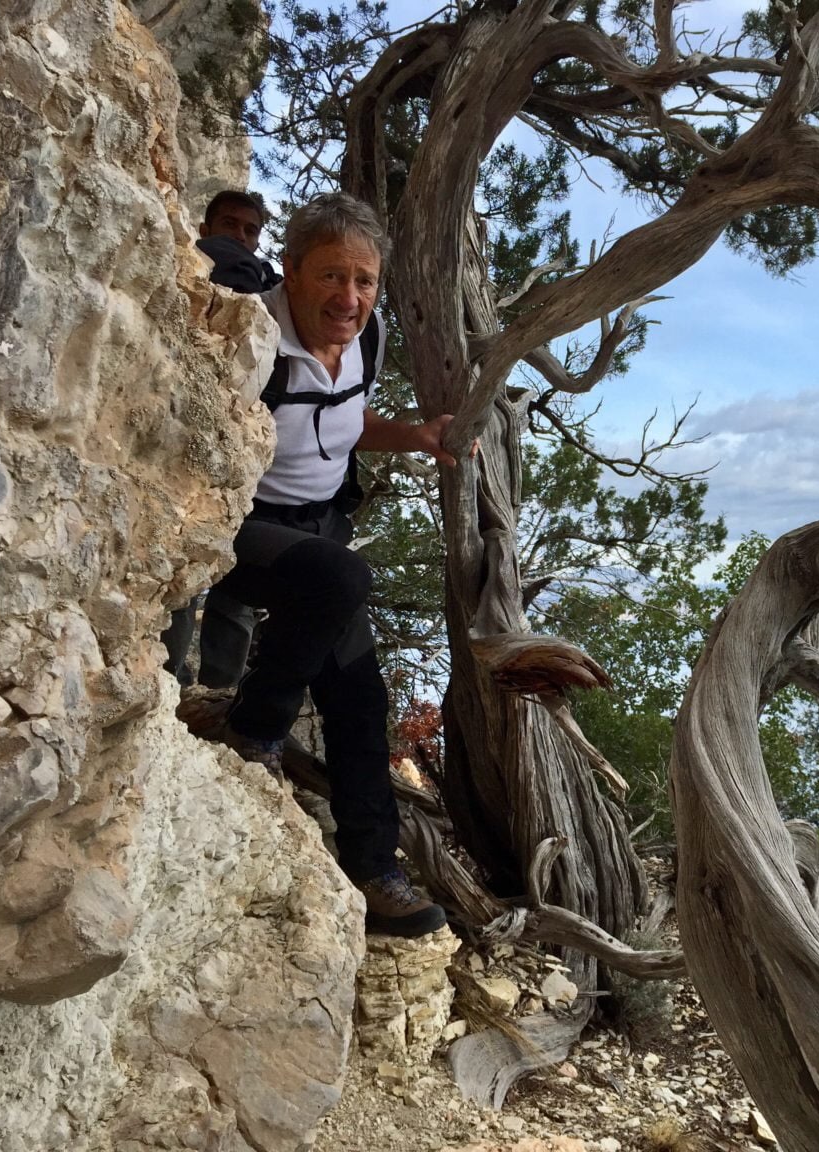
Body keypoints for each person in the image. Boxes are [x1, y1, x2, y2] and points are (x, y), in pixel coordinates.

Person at [210, 192, 469, 939]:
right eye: (330, 276)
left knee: (359, 696)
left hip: (318, 532)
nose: (348, 298)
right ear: (289, 270)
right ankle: (252, 732)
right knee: (340, 579)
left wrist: (416, 435)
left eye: (363, 281)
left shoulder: (367, 338)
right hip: (240, 528)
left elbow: (349, 426)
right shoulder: (250, 334)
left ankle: (375, 869)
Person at [162, 191, 277, 687]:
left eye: (250, 231)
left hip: (230, 437)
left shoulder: (263, 275)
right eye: (230, 223)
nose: (240, 236)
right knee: (207, 567)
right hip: (221, 432)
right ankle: (208, 688)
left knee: (194, 561)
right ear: (207, 223)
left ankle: (180, 681)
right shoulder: (222, 258)